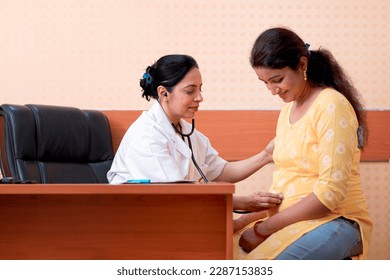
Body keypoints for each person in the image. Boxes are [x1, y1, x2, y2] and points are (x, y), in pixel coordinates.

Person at [234, 27, 373, 260]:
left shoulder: (331, 106)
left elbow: (329, 195)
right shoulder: (288, 110)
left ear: (302, 65)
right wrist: (241, 222)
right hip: (293, 219)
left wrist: (263, 229)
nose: (272, 90)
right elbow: (285, 187)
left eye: (277, 80)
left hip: (337, 218)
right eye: (265, 82)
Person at [107, 54, 283, 213]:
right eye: (190, 91)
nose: (199, 98)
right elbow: (175, 193)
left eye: (200, 89)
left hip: (174, 217)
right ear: (163, 93)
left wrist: (266, 155)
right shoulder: (147, 136)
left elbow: (222, 171)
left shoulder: (186, 132)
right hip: (138, 222)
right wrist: (242, 203)